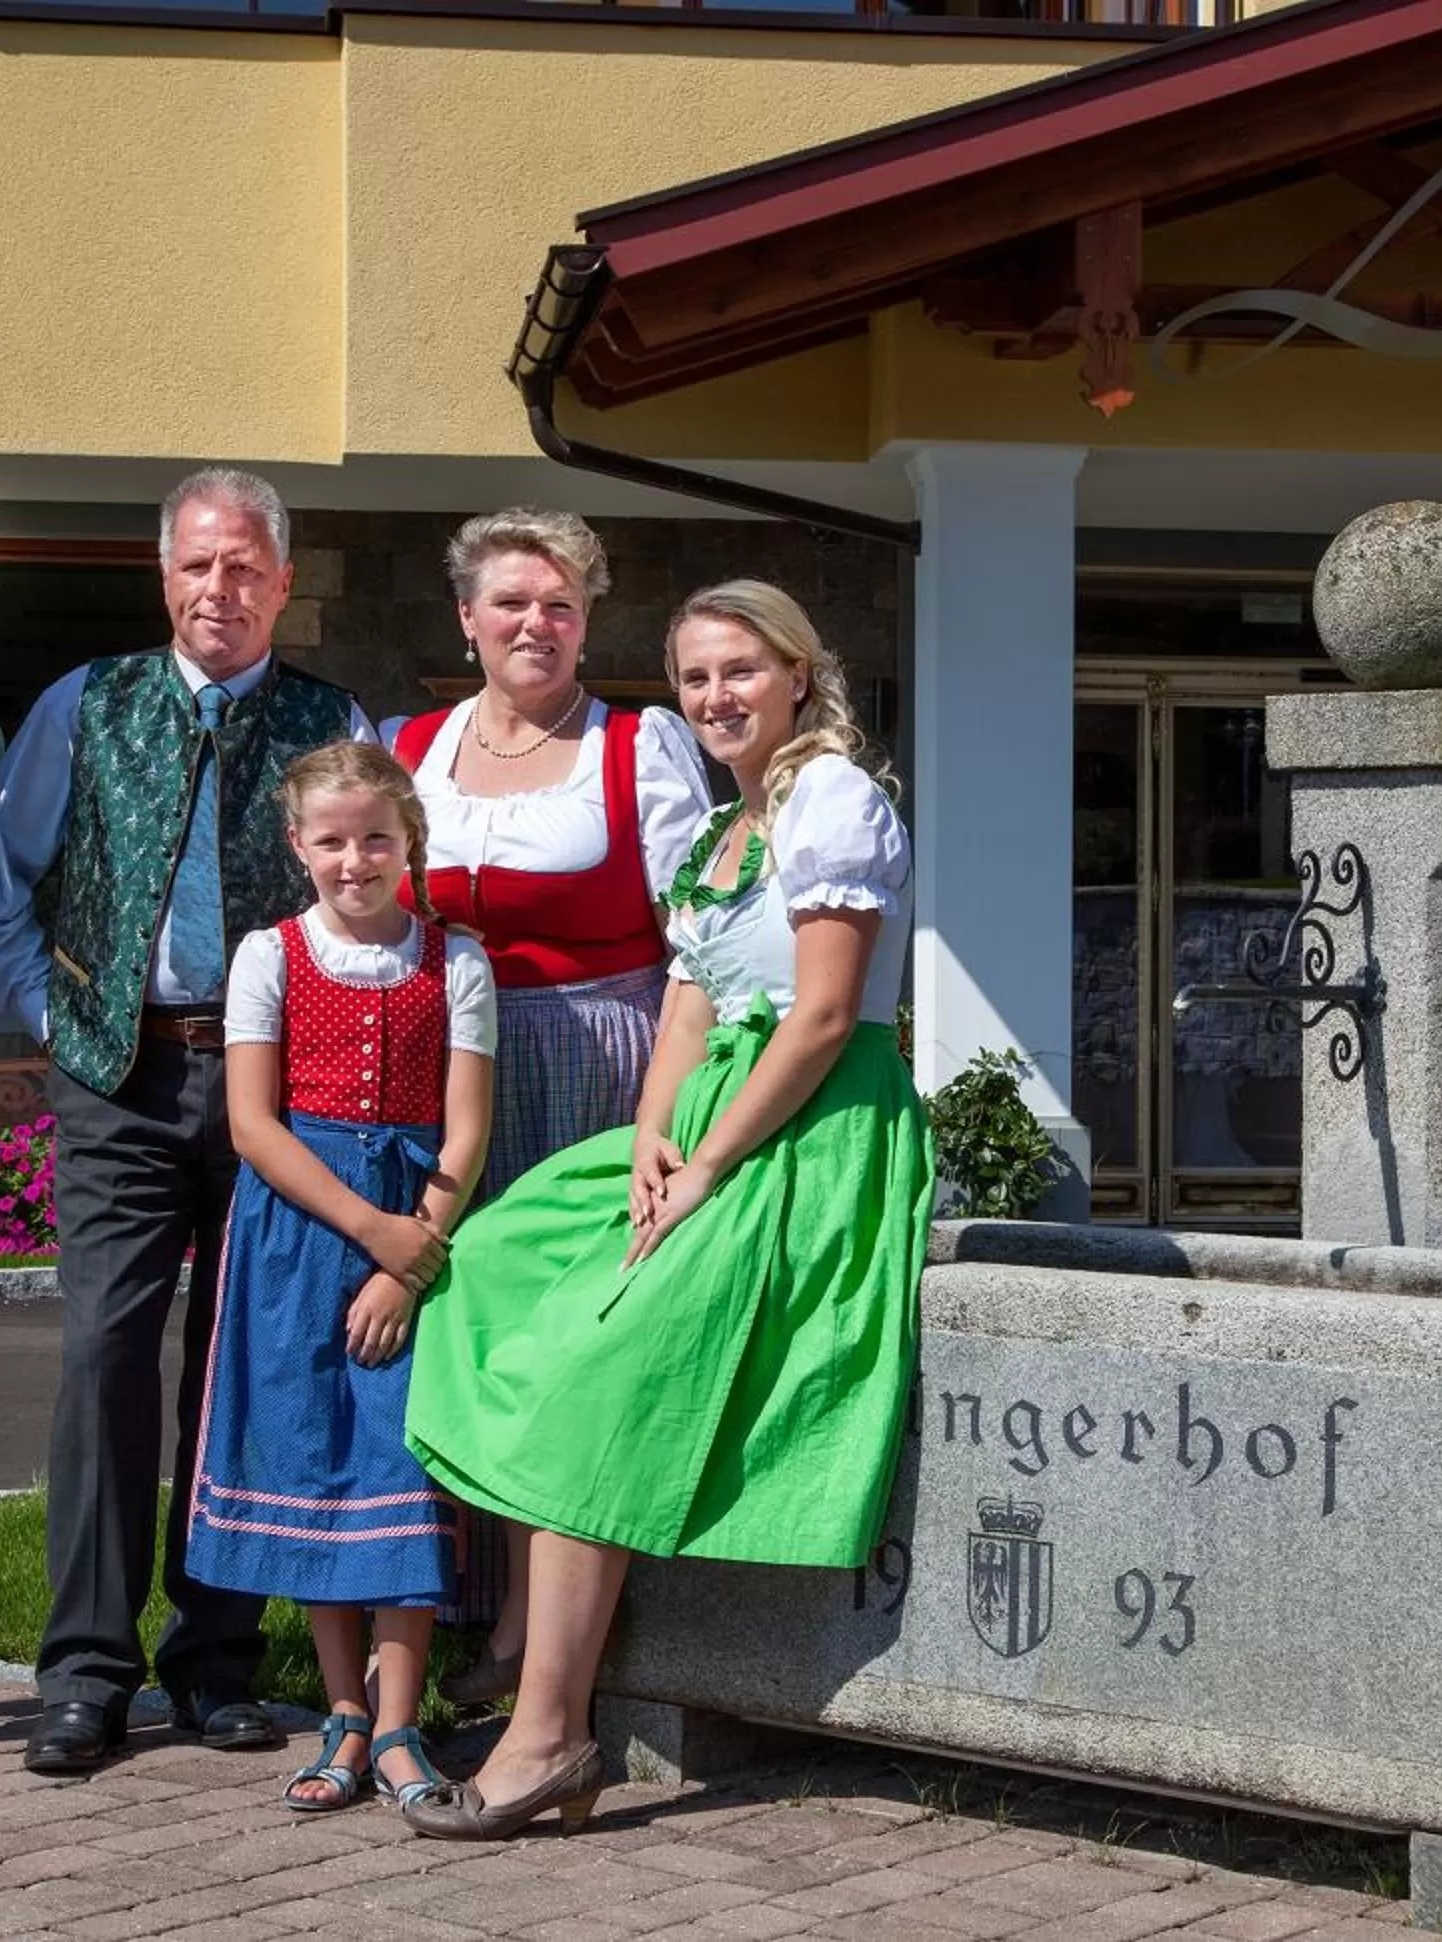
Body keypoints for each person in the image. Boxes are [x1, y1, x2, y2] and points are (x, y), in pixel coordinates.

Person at [399, 580, 932, 1839]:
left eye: (739, 670)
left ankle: (547, 1736)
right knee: (494, 1262)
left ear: (800, 674)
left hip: (814, 1128)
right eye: (693, 678)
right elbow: (686, 1012)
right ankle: (525, 1637)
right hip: (707, 1120)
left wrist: (708, 1167)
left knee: (602, 1356)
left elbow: (817, 1017)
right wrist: (650, 1141)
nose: (714, 698)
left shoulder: (834, 801)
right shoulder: (720, 834)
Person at [0, 468, 389, 1778]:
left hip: (279, 1086)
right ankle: (85, 1670)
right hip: (122, 1074)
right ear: (166, 577)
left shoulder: (332, 722)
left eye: (249, 567)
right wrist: (55, 1018)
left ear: (283, 581)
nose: (224, 589)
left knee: (243, 1363)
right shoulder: (86, 703)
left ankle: (215, 1659)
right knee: (104, 1352)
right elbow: (7, 887)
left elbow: (374, 895)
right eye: (201, 566)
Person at [386, 508, 712, 1699]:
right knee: (461, 1322)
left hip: (600, 1060)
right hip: (446, 1067)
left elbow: (703, 949)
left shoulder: (639, 746)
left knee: (569, 1335)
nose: (538, 621)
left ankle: (537, 1632)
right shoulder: (409, 742)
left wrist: (666, 1109)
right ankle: (454, 1607)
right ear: (467, 619)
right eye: (513, 601)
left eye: (562, 604)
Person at [183, 742, 496, 1814]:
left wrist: (413, 1253)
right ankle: (344, 1715)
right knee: (315, 1461)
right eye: (331, 840)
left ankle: (402, 1721)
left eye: (375, 837)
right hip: (299, 1231)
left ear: (410, 836)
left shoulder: (455, 959)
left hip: (417, 1229)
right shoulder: (268, 954)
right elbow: (251, 1122)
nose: (354, 859)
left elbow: (468, 1123)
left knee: (398, 1469)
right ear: (297, 847)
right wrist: (367, 1226)